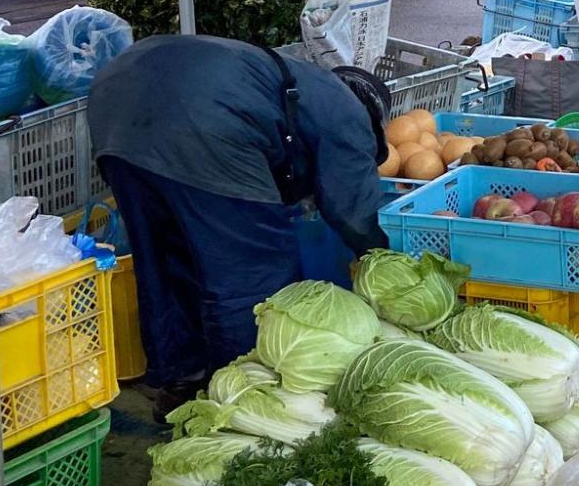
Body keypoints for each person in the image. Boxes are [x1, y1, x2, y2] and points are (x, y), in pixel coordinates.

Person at [89, 35, 392, 394]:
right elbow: (354, 209)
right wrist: (386, 264)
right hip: (202, 123)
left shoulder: (297, 80)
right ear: (374, 112)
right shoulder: (349, 109)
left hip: (116, 109)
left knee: (166, 258)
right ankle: (241, 391)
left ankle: (180, 378)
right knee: (252, 268)